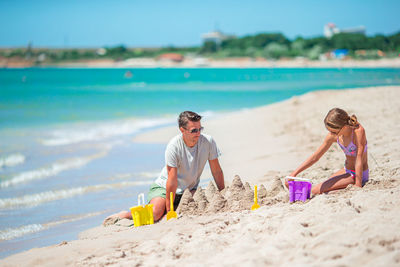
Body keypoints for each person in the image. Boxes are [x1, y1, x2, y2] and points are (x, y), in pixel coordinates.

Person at [104, 111, 225, 224]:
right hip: (164, 188)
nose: (198, 133)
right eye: (194, 130)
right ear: (182, 130)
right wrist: (169, 211)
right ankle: (124, 215)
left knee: (203, 202)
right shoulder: (174, 146)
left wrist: (223, 193)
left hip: (189, 190)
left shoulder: (208, 142)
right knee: (156, 214)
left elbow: (216, 170)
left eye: (200, 129)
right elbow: (171, 181)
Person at [287, 108, 368, 195]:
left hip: (358, 174)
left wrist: (358, 185)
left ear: (343, 127)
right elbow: (315, 157)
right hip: (346, 170)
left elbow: (359, 157)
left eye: (334, 131)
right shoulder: (332, 136)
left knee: (314, 190)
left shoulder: (357, 131)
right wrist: (294, 174)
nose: (331, 134)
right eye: (329, 131)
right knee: (326, 184)